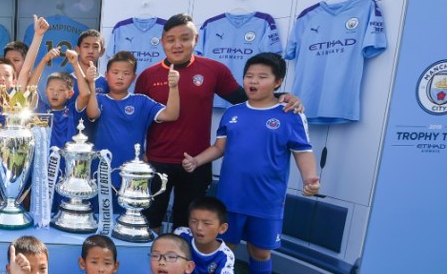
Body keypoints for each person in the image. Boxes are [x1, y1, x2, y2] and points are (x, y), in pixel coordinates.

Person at [182, 52, 320, 274]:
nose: (253, 81)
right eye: (249, 76)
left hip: (267, 201)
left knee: (260, 251)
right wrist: (197, 160)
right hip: (231, 199)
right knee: (225, 249)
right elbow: (220, 147)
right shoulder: (233, 113)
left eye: (262, 77)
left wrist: (311, 179)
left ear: (278, 81)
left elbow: (302, 150)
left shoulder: (289, 114)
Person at [135, 13, 301, 232]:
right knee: (149, 222)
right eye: (171, 39)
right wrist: (141, 155)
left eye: (184, 38)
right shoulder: (148, 76)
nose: (177, 45)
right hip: (155, 161)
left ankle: (186, 265)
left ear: (195, 40)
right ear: (163, 41)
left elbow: (245, 98)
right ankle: (149, 264)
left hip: (196, 162)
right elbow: (138, 119)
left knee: (188, 226)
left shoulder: (214, 70)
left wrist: (283, 95)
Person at [87, 51, 180, 190]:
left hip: (133, 172)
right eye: (115, 72)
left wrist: (173, 87)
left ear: (134, 78)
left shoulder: (141, 101)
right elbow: (92, 114)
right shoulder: (99, 99)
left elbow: (171, 114)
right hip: (101, 170)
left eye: (126, 73)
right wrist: (91, 83)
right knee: (101, 210)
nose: (120, 77)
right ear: (106, 75)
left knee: (131, 209)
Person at [174, 197, 237, 274]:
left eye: (206, 223)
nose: (199, 227)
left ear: (222, 228)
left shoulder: (225, 254)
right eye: (193, 221)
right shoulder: (181, 235)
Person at [28, 48, 89, 150]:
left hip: (67, 162)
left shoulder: (72, 110)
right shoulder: (41, 110)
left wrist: (75, 63)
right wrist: (44, 60)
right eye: (51, 89)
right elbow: (30, 90)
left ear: (70, 94)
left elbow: (85, 94)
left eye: (61, 90)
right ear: (46, 91)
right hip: (45, 163)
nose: (55, 93)